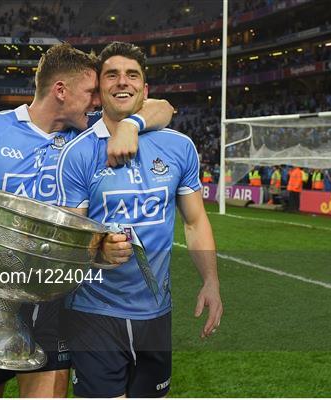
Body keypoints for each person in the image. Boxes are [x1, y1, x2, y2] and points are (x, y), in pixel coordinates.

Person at [0, 43, 174, 398]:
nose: (98, 101)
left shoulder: (87, 131)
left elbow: (163, 107)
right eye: (91, 92)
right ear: (60, 91)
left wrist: (131, 125)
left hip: (53, 300)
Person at [56, 42, 222, 398]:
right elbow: (69, 237)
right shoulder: (78, 153)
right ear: (100, 90)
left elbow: (194, 223)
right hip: (93, 311)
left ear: (144, 90)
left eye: (132, 75)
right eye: (112, 75)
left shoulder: (179, 147)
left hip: (156, 313)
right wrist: (97, 249)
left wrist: (211, 281)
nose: (123, 82)